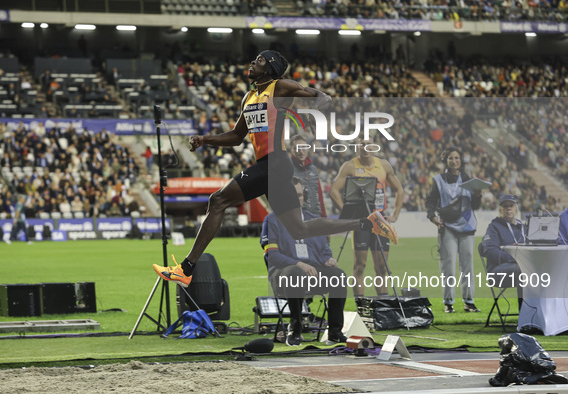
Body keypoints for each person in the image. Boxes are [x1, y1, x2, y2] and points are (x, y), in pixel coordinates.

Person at [153, 50, 396, 287]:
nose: (252, 62)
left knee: (217, 200)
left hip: (276, 162)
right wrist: (206, 140)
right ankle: (366, 223)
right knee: (299, 229)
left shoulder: (279, 88)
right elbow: (237, 136)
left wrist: (314, 113)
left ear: (269, 67)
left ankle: (186, 269)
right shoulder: (248, 98)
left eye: (258, 60)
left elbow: (324, 97)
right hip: (268, 165)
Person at [261, 178, 347, 346]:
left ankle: (335, 332)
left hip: (312, 273)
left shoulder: (314, 220)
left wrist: (328, 259)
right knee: (295, 273)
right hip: (284, 275)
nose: (296, 199)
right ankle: (295, 328)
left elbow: (324, 251)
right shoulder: (271, 220)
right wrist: (299, 264)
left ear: (304, 197)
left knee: (339, 275)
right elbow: (272, 255)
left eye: (300, 195)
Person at [329, 140, 403, 297]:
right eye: (361, 144)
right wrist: (348, 212)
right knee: (360, 266)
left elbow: (399, 190)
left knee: (382, 267)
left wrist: (395, 215)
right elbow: (334, 190)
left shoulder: (384, 165)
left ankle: (383, 303)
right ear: (357, 147)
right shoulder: (350, 166)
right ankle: (360, 304)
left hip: (380, 219)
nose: (365, 147)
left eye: (369, 143)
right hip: (361, 221)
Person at [426, 146, 482, 313]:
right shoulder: (438, 180)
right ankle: (448, 302)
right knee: (448, 266)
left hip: (467, 227)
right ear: (446, 160)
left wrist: (478, 194)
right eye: (451, 158)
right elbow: (430, 201)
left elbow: (475, 206)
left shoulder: (468, 179)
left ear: (460, 160)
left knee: (468, 266)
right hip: (447, 227)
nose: (454, 161)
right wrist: (432, 217)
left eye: (457, 158)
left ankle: (469, 302)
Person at [481, 194, 524, 308]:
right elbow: (490, 251)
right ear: (500, 209)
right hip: (496, 272)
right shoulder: (494, 227)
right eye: (505, 206)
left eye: (511, 205)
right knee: (524, 271)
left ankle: (539, 315)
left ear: (516, 208)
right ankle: (525, 317)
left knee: (539, 270)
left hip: (520, 267)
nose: (508, 208)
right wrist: (514, 258)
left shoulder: (522, 227)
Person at [290, 134, 326, 217]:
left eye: (303, 147)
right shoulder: (288, 170)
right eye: (297, 148)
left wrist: (324, 217)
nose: (301, 151)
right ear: (291, 149)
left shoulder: (313, 169)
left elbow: (320, 197)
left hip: (316, 218)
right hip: (299, 219)